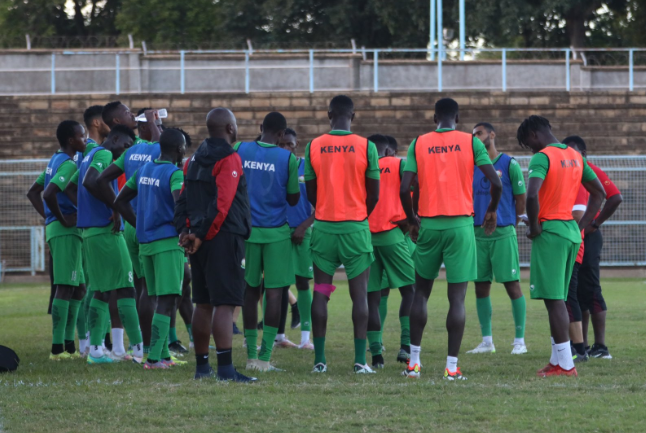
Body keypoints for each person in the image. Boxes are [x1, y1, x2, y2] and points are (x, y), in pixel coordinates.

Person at [400, 98, 502, 380]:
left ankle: (414, 364)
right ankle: (451, 367)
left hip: (429, 224)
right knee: (456, 298)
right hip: (460, 225)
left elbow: (404, 187)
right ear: (457, 118)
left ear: (435, 118)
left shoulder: (418, 143)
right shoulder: (471, 142)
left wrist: (412, 219)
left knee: (420, 293)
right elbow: (496, 183)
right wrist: (491, 210)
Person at [516, 115, 605, 377]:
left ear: (534, 135)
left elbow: (532, 194)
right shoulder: (576, 156)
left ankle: (566, 365)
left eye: (528, 144)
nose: (531, 150)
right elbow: (598, 193)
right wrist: (582, 226)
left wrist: (533, 226)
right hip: (570, 231)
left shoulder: (542, 157)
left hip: (551, 232)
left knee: (555, 300)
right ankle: (558, 360)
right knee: (558, 298)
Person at [174, 107, 256, 382]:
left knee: (203, 302)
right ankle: (225, 370)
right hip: (222, 237)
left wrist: (186, 231)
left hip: (198, 238)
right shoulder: (229, 158)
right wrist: (202, 233)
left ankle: (201, 368)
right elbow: (222, 204)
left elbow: (183, 199)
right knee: (225, 303)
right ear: (230, 129)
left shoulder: (193, 159)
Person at [305, 95, 380, 374]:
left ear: (328, 115)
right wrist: (359, 215)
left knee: (322, 293)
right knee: (359, 296)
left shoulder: (314, 145)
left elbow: (311, 193)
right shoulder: (366, 146)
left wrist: (326, 208)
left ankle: (320, 361)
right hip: (355, 230)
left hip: (324, 230)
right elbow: (375, 194)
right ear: (353, 116)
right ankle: (360, 362)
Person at [65, 125, 144, 364]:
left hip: (90, 231)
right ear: (115, 138)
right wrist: (115, 206)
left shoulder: (88, 154)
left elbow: (71, 186)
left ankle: (97, 350)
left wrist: (87, 210)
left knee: (101, 290)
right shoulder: (103, 154)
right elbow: (92, 181)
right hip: (105, 232)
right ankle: (140, 349)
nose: (126, 151)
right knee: (126, 288)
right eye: (126, 146)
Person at [114, 128, 187, 369]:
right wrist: (185, 231)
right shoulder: (174, 173)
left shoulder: (144, 169)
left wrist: (140, 223)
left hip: (146, 243)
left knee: (154, 296)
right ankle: (154, 358)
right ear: (179, 149)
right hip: (167, 243)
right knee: (167, 300)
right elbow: (179, 204)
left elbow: (119, 200)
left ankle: (162, 354)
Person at [234, 112, 300, 371]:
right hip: (276, 234)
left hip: (246, 232)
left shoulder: (240, 148)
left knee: (250, 292)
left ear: (261, 127)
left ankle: (250, 357)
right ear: (282, 135)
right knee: (274, 293)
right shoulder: (287, 157)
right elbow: (293, 199)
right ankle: (264, 358)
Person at [95, 109, 161, 358]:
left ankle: (127, 345)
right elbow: (161, 146)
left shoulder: (130, 152)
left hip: (131, 224)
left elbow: (102, 180)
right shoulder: (150, 148)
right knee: (151, 290)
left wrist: (119, 209)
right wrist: (155, 124)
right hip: (149, 224)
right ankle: (151, 348)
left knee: (130, 287)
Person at [27, 120, 87, 360]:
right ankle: (56, 349)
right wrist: (59, 219)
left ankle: (69, 345)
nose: (86, 140)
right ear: (72, 140)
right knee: (65, 287)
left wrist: (50, 218)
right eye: (83, 136)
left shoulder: (55, 160)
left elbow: (33, 191)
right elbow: (48, 193)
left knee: (79, 288)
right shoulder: (68, 163)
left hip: (65, 231)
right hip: (65, 232)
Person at [467, 122, 528, 355]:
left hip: (503, 232)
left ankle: (519, 341)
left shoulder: (508, 163)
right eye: (473, 134)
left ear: (492, 134)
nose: (475, 137)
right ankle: (487, 341)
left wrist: (512, 223)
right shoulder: (472, 165)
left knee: (512, 285)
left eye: (479, 133)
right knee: (480, 287)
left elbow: (521, 199)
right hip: (476, 233)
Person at [563, 135, 623, 359]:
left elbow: (615, 197)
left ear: (583, 154)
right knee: (575, 291)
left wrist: (594, 224)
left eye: (573, 152)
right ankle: (581, 345)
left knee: (591, 289)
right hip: (570, 234)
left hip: (587, 236)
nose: (569, 156)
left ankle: (601, 347)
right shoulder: (565, 170)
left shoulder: (591, 170)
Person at [365, 134, 415, 369]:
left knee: (372, 298)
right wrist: (412, 219)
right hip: (393, 234)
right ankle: (405, 347)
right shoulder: (398, 163)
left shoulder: (363, 166)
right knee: (410, 291)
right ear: (389, 152)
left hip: (365, 237)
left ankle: (376, 355)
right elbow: (412, 189)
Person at [278, 127, 315, 350]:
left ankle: (305, 338)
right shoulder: (274, 167)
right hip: (279, 231)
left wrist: (303, 226)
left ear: (296, 145)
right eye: (282, 145)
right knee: (277, 284)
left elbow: (321, 203)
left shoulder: (307, 167)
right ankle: (278, 336)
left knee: (302, 282)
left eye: (289, 145)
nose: (286, 149)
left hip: (303, 231)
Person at [565, 184, 589, 362]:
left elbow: (578, 215)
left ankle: (580, 348)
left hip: (571, 245)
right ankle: (568, 345)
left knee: (569, 295)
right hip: (559, 243)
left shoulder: (578, 183)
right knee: (561, 296)